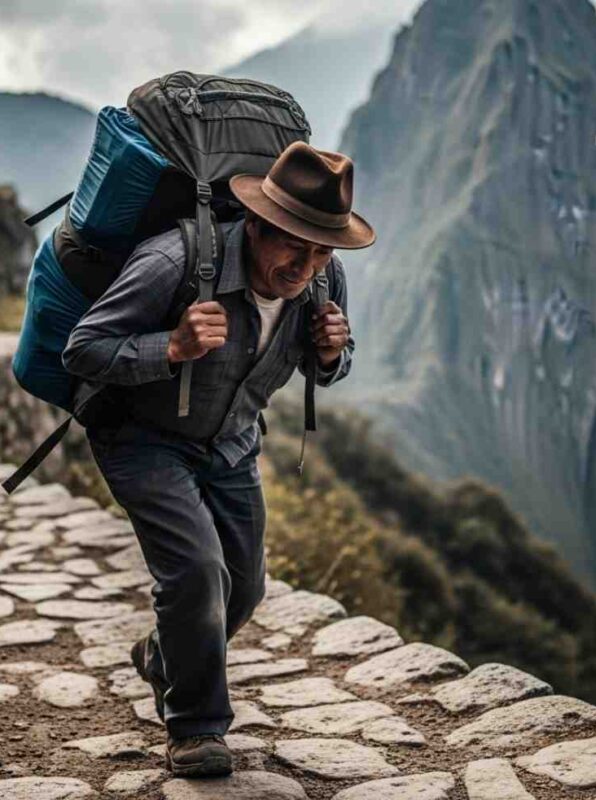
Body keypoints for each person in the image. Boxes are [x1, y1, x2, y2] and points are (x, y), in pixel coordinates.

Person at [61, 141, 376, 778]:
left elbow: (329, 366)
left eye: (322, 251)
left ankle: (165, 656)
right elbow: (83, 350)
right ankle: (196, 728)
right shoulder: (172, 261)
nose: (305, 267)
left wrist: (331, 355)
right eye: (294, 244)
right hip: (142, 437)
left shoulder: (321, 280)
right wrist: (170, 347)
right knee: (197, 573)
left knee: (247, 585)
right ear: (257, 225)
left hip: (231, 441)